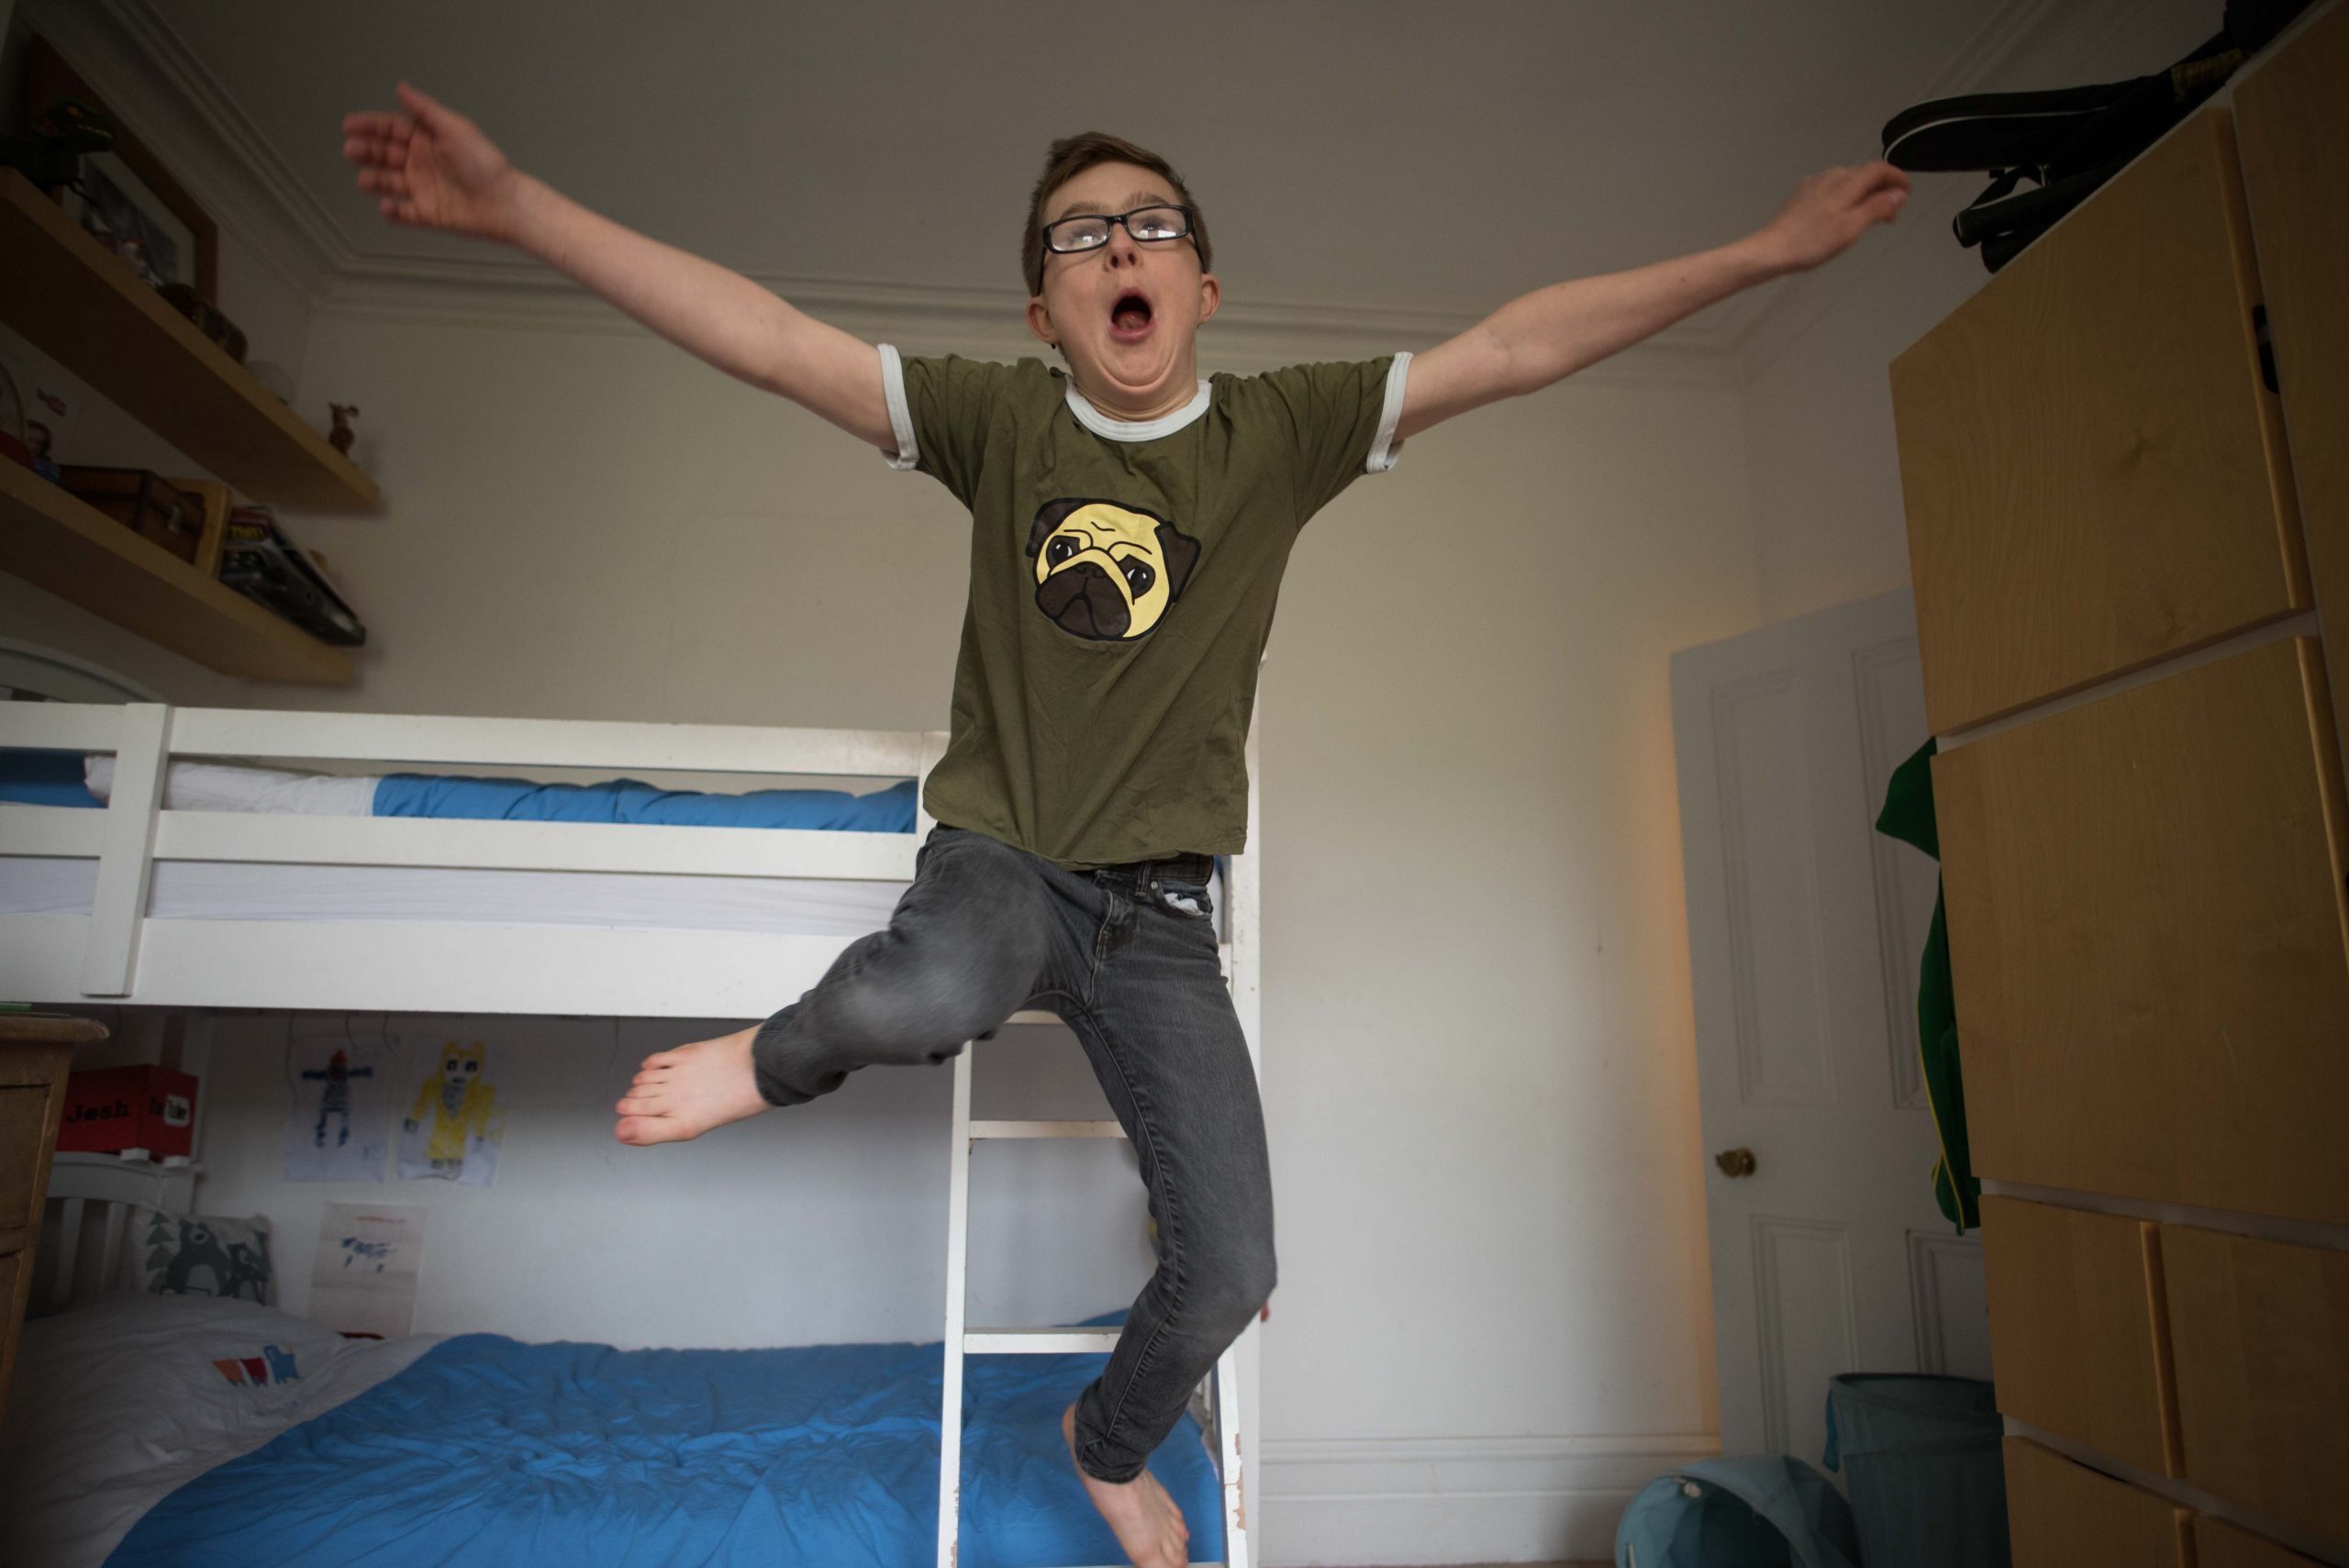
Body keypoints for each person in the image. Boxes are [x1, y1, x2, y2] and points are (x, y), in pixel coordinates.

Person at [341, 83, 1908, 1566]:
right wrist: (523, 206)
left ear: (1203, 286)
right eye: (1079, 237)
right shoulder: (1000, 422)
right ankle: (773, 1058)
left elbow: (1510, 345)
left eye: (1150, 225)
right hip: (1005, 861)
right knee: (924, 985)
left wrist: (1767, 254)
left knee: (1233, 1271)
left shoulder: (1281, 434)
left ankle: (1103, 1443)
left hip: (1160, 918)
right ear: (1045, 310)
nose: (1118, 249)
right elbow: (767, 338)